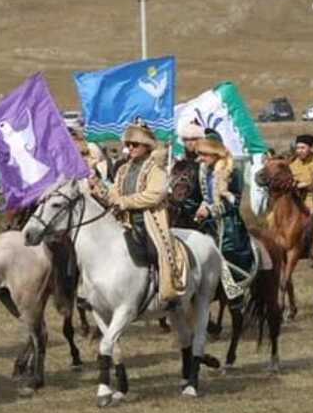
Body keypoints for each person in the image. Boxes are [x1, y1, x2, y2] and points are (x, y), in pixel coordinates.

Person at [91, 122, 181, 308]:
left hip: (149, 220)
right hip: (123, 221)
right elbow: (114, 192)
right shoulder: (123, 169)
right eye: (128, 144)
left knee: (156, 251)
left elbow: (155, 195)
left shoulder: (155, 169)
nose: (130, 148)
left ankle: (166, 292)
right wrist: (100, 190)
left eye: (135, 144)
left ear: (146, 146)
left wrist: (125, 202)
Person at [189, 130, 254, 296]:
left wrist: (210, 210)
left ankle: (235, 290)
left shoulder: (233, 173)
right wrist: (202, 207)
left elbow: (234, 203)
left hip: (228, 223)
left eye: (204, 154)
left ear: (215, 152)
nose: (201, 158)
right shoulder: (204, 171)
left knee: (229, 251)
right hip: (207, 220)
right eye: (200, 154)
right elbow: (207, 196)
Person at [288, 134, 313, 208]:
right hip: (296, 200)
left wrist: (307, 184)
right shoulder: (292, 165)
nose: (299, 151)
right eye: (297, 148)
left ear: (311, 148)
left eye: (303, 148)